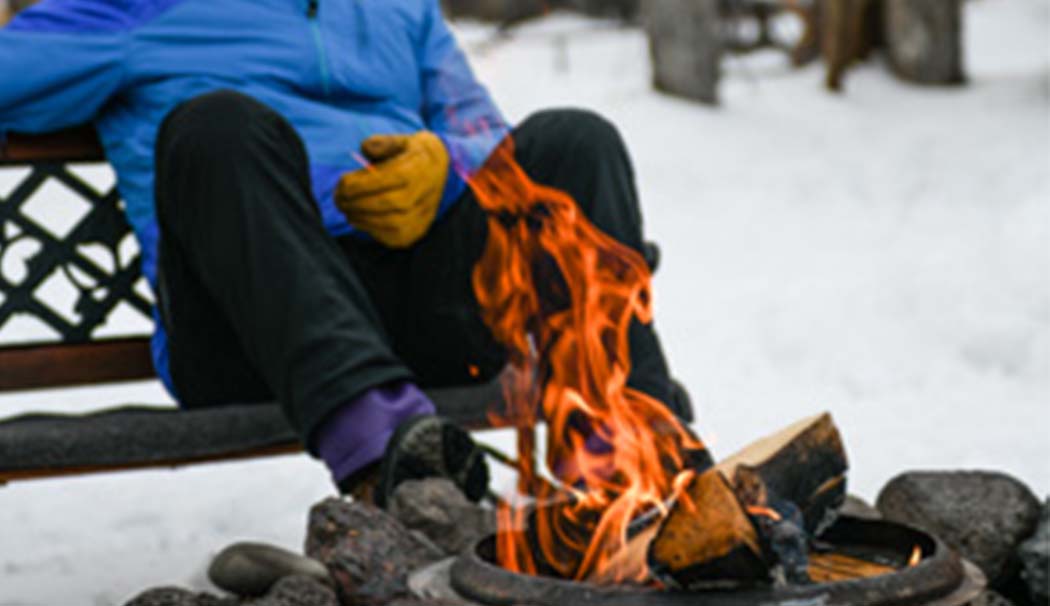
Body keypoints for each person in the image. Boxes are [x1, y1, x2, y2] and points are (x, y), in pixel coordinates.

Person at [0, 0, 682, 506]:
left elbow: (483, 131)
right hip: (246, 325)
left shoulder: (401, 10)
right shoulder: (133, 8)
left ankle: (630, 462)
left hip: (422, 315)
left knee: (572, 143)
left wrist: (446, 164)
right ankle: (396, 462)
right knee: (216, 124)